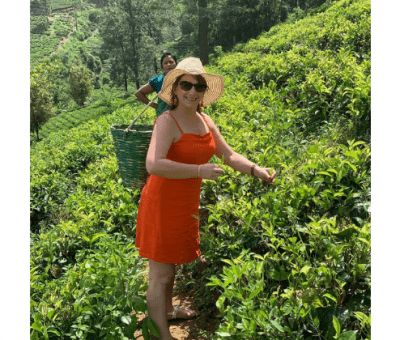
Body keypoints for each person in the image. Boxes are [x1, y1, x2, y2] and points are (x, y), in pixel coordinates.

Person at [135, 57, 276, 340]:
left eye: (198, 86)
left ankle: (168, 311)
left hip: (185, 204)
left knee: (171, 264)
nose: (192, 91)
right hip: (162, 203)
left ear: (203, 92)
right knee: (160, 274)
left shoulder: (205, 121)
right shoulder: (167, 121)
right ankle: (161, 334)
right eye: (185, 84)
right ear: (174, 89)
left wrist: (255, 170)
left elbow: (229, 155)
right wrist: (198, 170)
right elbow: (154, 164)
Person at [135, 52, 177, 117]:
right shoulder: (159, 81)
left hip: (182, 119)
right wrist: (156, 106)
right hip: (164, 118)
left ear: (176, 64)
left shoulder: (184, 80)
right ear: (162, 67)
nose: (168, 65)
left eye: (171, 62)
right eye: (165, 63)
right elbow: (138, 93)